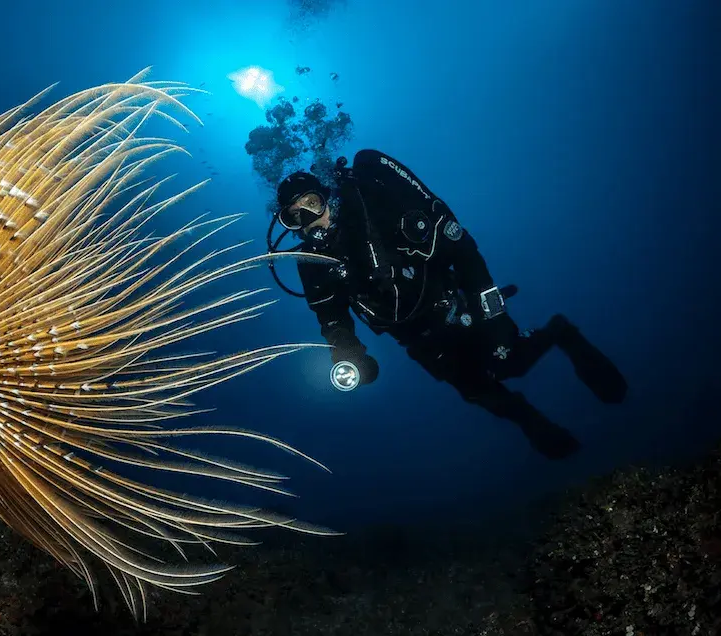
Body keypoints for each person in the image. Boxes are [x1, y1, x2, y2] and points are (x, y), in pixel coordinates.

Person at [269, 150, 627, 459]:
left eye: (312, 204)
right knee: (476, 391)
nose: (310, 220)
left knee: (511, 362)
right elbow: (331, 317)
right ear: (287, 224)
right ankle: (530, 422)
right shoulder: (311, 263)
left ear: (327, 196)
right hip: (416, 337)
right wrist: (348, 355)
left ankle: (562, 333)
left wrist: (490, 308)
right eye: (295, 216)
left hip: (455, 307)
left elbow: (460, 247)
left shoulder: (371, 212)